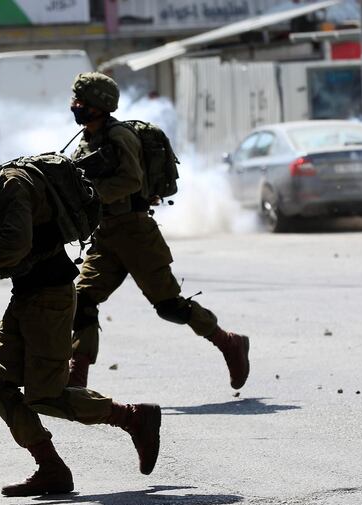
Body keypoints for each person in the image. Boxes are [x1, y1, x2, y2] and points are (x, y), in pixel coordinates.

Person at [0, 124, 161, 496]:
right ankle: (51, 468)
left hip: (49, 297)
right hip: (28, 295)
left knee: (47, 395)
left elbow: (15, 242)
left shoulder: (12, 185)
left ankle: (134, 418)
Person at [66, 72, 251, 390]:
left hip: (135, 233)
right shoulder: (83, 141)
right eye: (75, 100)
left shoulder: (119, 137)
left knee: (169, 306)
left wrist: (92, 193)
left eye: (81, 102)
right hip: (106, 235)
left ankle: (229, 342)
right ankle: (77, 376)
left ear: (99, 105)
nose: (75, 106)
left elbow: (131, 181)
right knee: (81, 301)